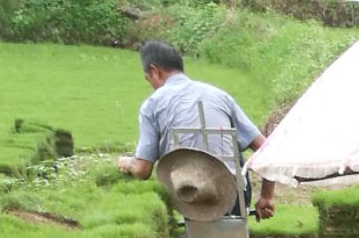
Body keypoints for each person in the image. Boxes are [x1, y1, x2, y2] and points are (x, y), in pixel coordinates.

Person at [116, 41, 274, 220]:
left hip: (190, 197)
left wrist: (127, 163)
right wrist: (267, 197)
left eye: (148, 78)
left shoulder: (152, 104)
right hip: (234, 196)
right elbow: (266, 149)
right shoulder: (219, 96)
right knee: (234, 153)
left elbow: (142, 170)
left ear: (155, 71)